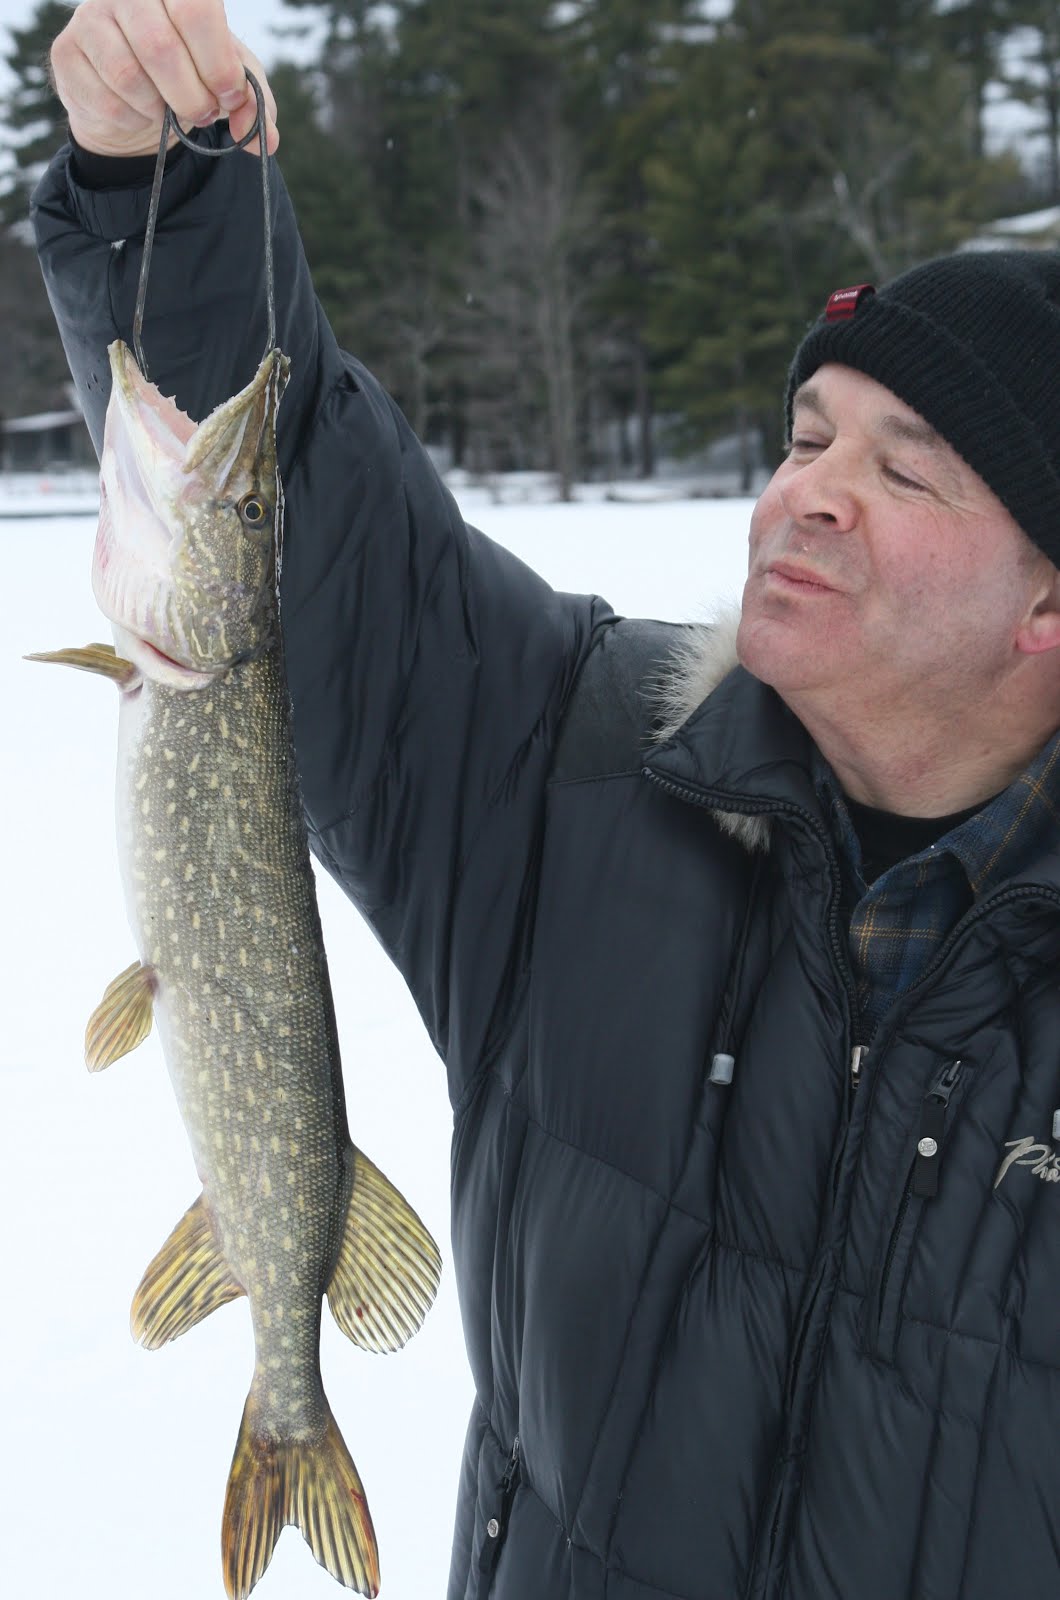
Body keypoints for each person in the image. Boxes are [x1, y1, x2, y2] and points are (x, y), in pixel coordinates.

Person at [37, 5, 1060, 1599]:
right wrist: (160, 183)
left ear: (1046, 608)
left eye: (904, 467)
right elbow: (303, 508)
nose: (805, 489)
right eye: (803, 436)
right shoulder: (589, 768)